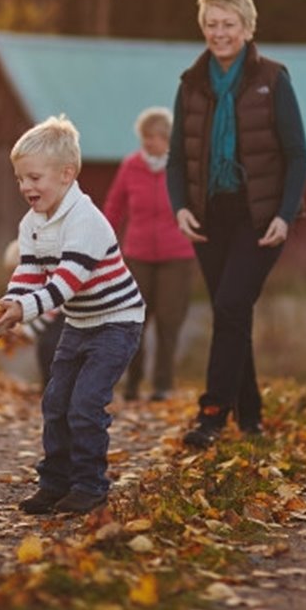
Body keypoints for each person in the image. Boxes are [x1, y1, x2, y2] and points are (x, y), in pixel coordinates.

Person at [167, 0, 306, 449]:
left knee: (228, 306)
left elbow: (297, 154)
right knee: (233, 313)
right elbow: (175, 159)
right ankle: (250, 416)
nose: (219, 32)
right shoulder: (191, 84)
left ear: (247, 29)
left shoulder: (273, 78)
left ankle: (211, 416)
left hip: (260, 215)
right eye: (211, 24)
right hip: (209, 217)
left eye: (228, 24)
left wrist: (286, 215)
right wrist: (181, 206)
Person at [0, 116, 145, 515]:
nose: (26, 187)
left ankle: (90, 485)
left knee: (85, 403)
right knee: (55, 401)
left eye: (35, 178)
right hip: (79, 322)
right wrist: (9, 304)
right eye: (21, 179)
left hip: (116, 321)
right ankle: (54, 482)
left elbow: (65, 284)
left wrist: (25, 309)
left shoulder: (86, 221)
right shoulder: (32, 224)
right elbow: (29, 272)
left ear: (67, 174)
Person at [104, 107, 195, 402]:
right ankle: (132, 383)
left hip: (177, 255)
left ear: (168, 138)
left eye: (154, 137)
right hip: (137, 254)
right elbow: (114, 207)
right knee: (134, 320)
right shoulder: (131, 166)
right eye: (145, 137)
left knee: (170, 321)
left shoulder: (183, 167)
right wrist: (103, 243)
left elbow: (199, 207)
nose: (148, 143)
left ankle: (162, 385)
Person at [3, 238, 65, 390]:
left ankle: (54, 388)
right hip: (56, 318)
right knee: (45, 347)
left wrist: (28, 332)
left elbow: (52, 309)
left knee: (50, 347)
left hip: (64, 314)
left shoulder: (48, 278)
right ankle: (48, 386)